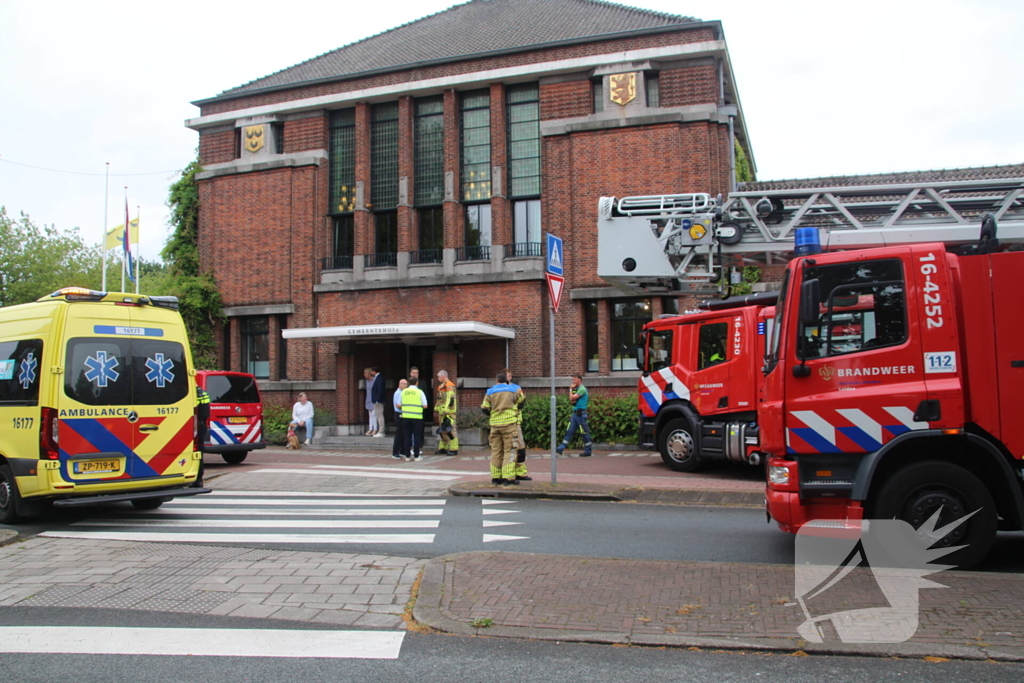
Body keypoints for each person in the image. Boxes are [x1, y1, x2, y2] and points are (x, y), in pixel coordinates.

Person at [481, 371, 521, 485]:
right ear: (506, 380)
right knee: (510, 450)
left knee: (496, 451)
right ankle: (508, 478)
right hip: (509, 424)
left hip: (495, 425)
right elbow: (521, 402)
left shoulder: (490, 391)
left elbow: (484, 408)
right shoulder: (513, 390)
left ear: (496, 380)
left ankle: (496, 477)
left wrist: (493, 415)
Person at [502, 368, 530, 481]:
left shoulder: (516, 388)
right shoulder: (498, 390)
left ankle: (520, 472)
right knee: (511, 449)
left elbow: (521, 403)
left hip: (515, 421)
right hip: (507, 422)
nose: (507, 378)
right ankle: (510, 474)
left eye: (508, 376)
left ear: (510, 377)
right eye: (505, 376)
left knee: (520, 448)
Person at [556, 374, 592, 457]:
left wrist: (570, 389)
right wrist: (572, 391)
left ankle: (588, 450)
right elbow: (572, 401)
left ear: (579, 380)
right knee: (569, 431)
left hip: (581, 414)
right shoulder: (576, 389)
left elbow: (572, 398)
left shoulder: (582, 389)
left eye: (574, 379)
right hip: (575, 414)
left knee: (584, 432)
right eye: (573, 379)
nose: (573, 381)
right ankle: (561, 448)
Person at [400, 376, 428, 462]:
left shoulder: (404, 392)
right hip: (417, 417)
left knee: (407, 436)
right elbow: (425, 405)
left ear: (408, 383)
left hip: (406, 417)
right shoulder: (420, 392)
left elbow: (399, 404)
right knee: (416, 437)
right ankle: (416, 456)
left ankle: (407, 456)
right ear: (417, 383)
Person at [434, 370, 459, 456]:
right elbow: (439, 399)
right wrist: (436, 407)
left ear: (443, 376)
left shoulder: (449, 386)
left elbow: (450, 399)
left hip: (449, 412)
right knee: (442, 430)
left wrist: (446, 409)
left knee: (451, 430)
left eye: (439, 377)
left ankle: (454, 448)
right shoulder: (441, 387)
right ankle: (443, 447)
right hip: (442, 412)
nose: (438, 379)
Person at [194, 385, 211, 487]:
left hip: (196, 425)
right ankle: (199, 478)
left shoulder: (193, 394)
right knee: (199, 452)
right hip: (202, 424)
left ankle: (197, 479)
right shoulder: (202, 392)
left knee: (196, 452)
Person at [365, 367, 386, 437]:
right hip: (375, 400)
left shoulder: (379, 378)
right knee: (376, 415)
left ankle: (380, 431)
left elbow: (380, 390)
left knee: (378, 415)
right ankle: (376, 430)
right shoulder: (379, 378)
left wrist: (377, 399)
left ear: (374, 371)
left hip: (378, 401)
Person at [392, 378, 408, 460]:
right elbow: (398, 405)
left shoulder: (403, 393)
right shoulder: (398, 393)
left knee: (403, 433)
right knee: (399, 433)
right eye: (404, 384)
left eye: (406, 384)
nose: (406, 386)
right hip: (399, 414)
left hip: (402, 413)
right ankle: (395, 452)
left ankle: (402, 450)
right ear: (400, 384)